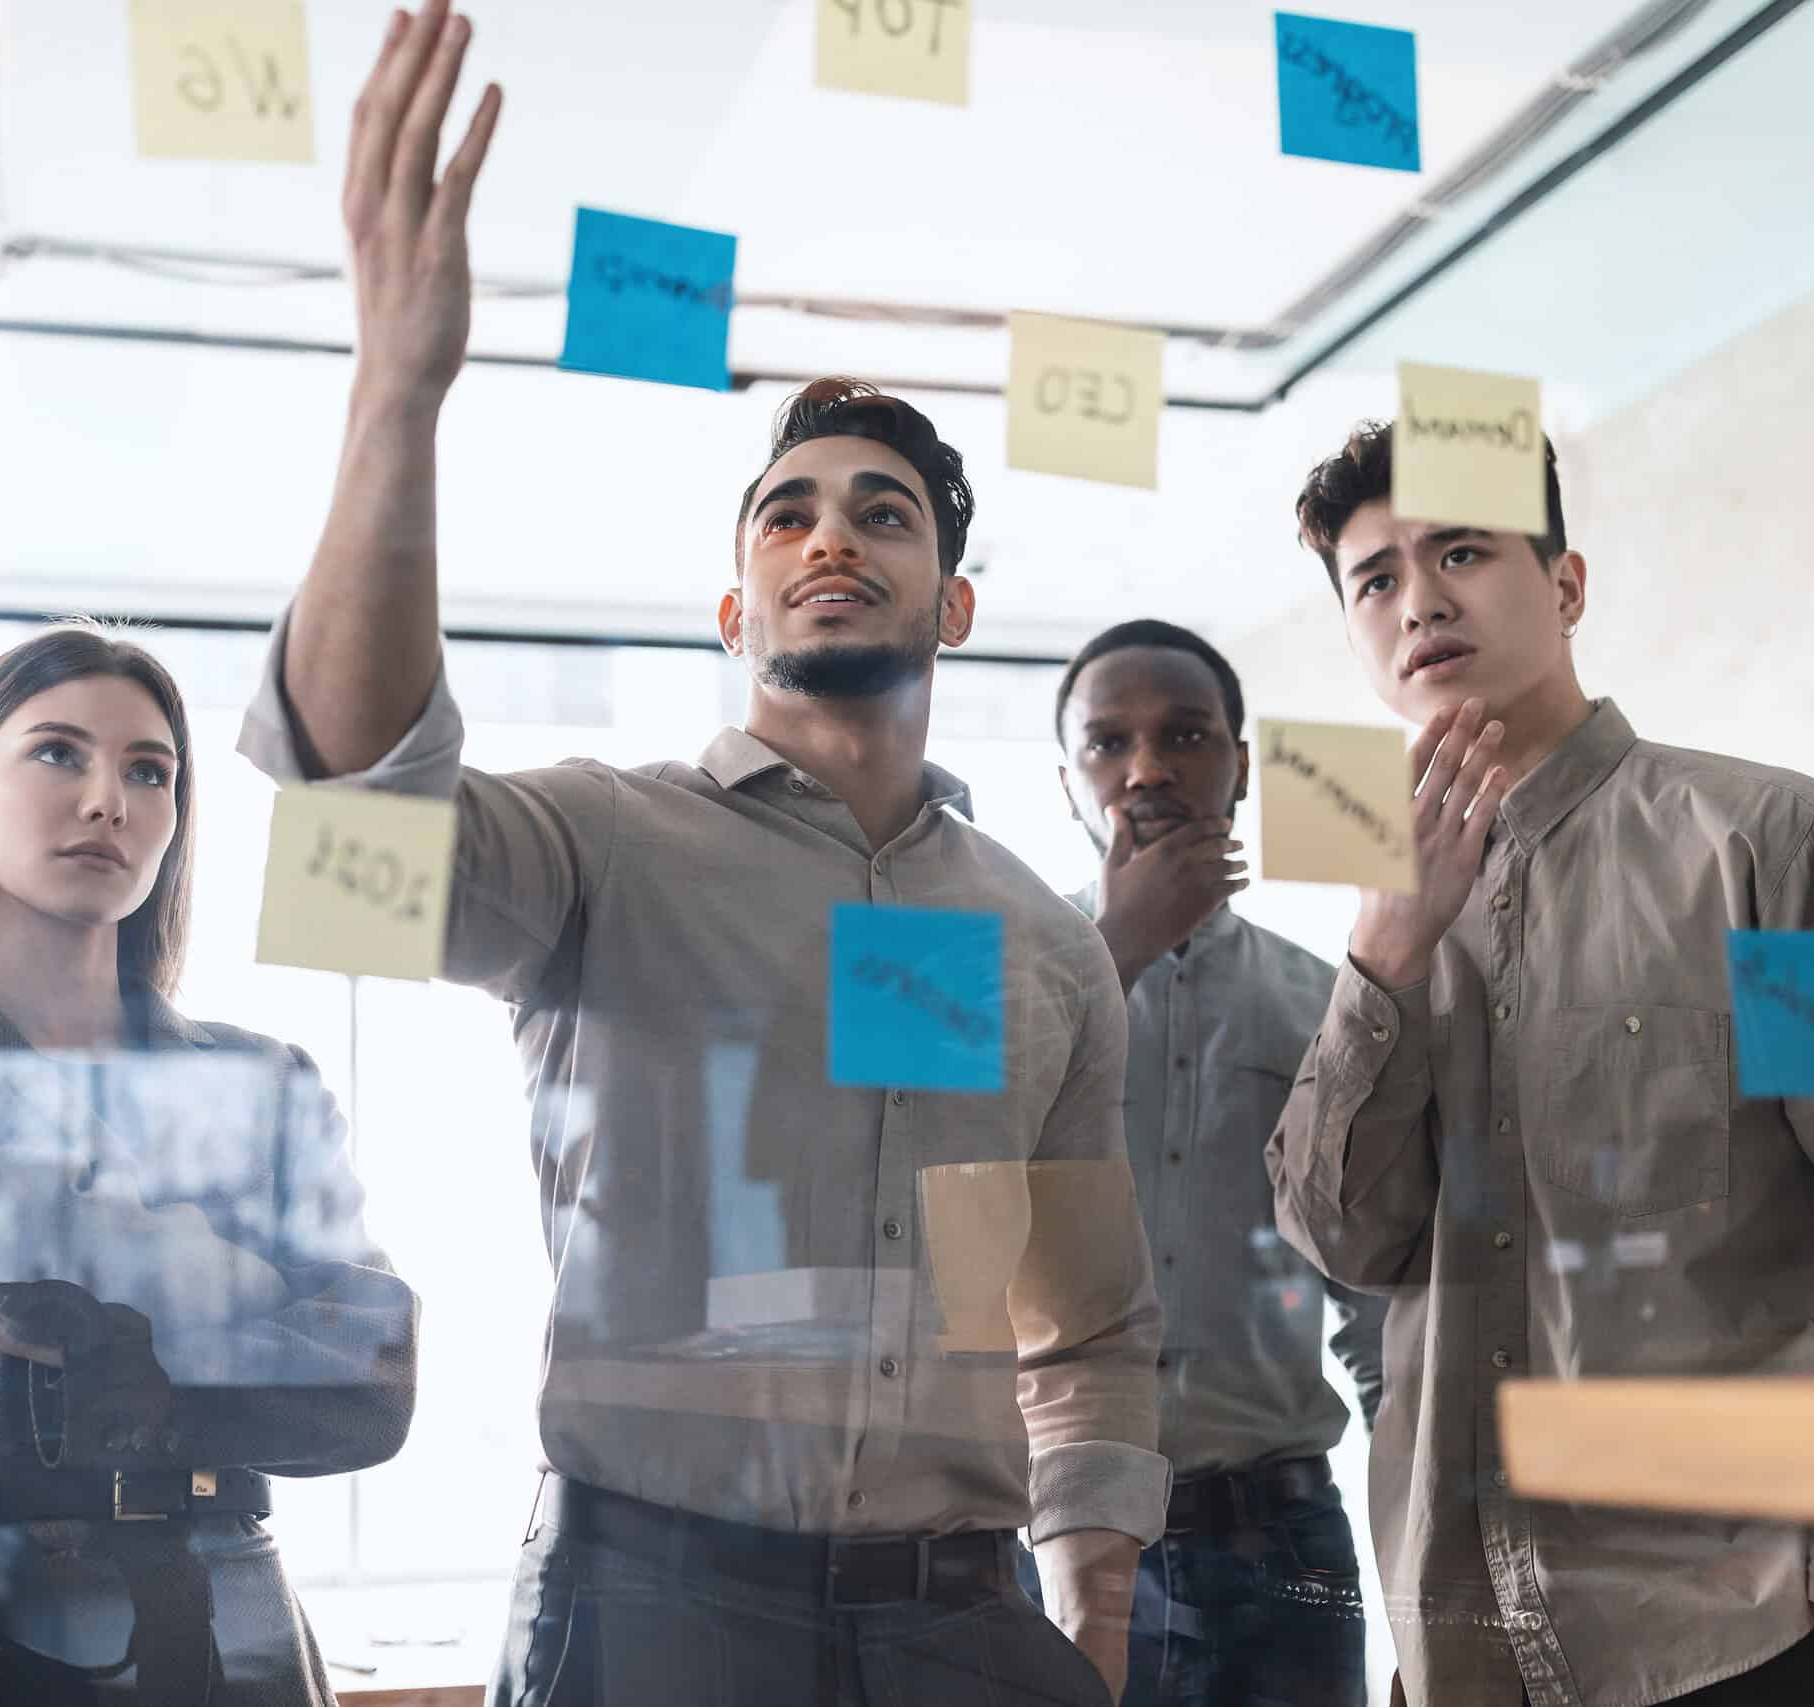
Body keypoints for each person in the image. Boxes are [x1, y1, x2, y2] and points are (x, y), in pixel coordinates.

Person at [238, 6, 1168, 1702]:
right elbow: (352, 819)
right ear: (736, 605)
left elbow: (1083, 1327)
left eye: (884, 512)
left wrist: (1090, 1624)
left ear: (954, 604)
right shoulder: (606, 839)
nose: (833, 534)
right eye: (791, 511)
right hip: (659, 1598)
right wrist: (399, 391)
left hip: (964, 1618)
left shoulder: (1041, 944)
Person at [1267, 422, 1814, 1706]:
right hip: (1458, 1637)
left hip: (1738, 1634)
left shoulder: (1767, 849)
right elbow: (1343, 1240)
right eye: (1374, 579)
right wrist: (1382, 961)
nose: (1418, 598)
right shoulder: (1389, 921)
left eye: (1463, 551)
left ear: (1566, 584)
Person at [0, 625, 417, 1706]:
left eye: (148, 770)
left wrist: (98, 1302)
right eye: (57, 753)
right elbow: (10, 1264)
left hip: (234, 1605)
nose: (107, 800)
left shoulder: (262, 1076)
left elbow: (373, 1384)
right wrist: (248, 1292)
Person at [1021, 618, 1382, 1707]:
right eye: (1106, 743)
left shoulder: (1330, 1005)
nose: (1144, 769)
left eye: (1184, 736)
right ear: (1067, 782)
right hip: (1043, 1527)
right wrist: (1111, 952)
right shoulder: (994, 983)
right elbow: (927, 1203)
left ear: (1240, 765)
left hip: (1281, 1537)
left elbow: (1377, 1311)